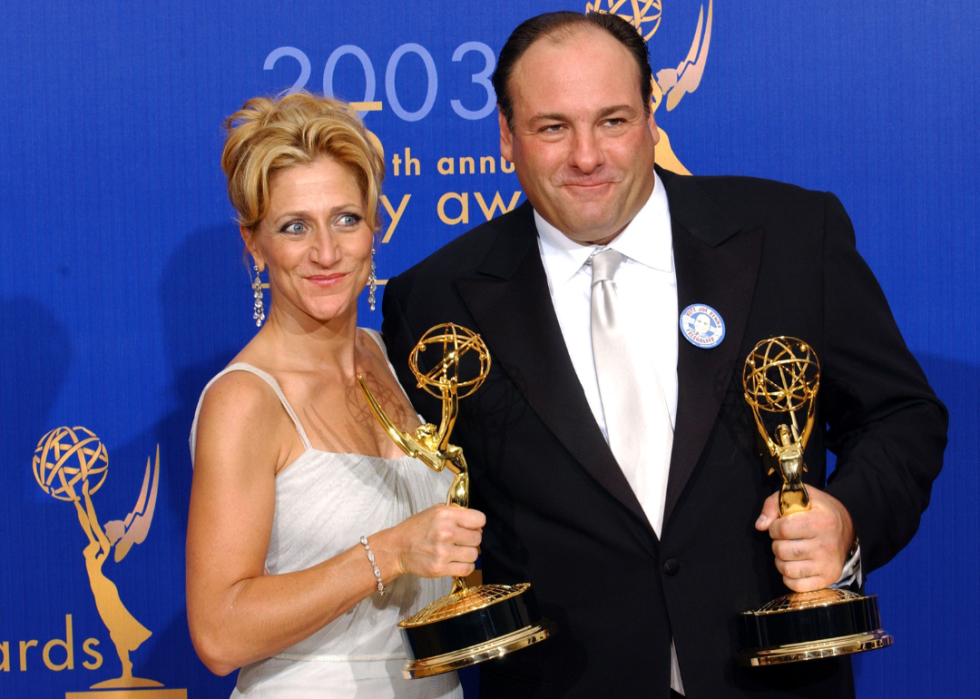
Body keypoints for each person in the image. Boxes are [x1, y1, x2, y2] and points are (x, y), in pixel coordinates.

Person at [381, 11, 947, 699]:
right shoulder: (433, 299)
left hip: (775, 679)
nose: (586, 156)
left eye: (613, 121)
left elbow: (901, 415)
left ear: (652, 117)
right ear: (506, 136)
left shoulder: (794, 235)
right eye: (552, 127)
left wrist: (848, 517)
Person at [186, 92, 483, 699]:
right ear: (254, 244)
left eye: (346, 219)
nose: (326, 252)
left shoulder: (395, 360)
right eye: (295, 227)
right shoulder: (245, 402)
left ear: (376, 225)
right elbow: (218, 635)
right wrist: (390, 551)